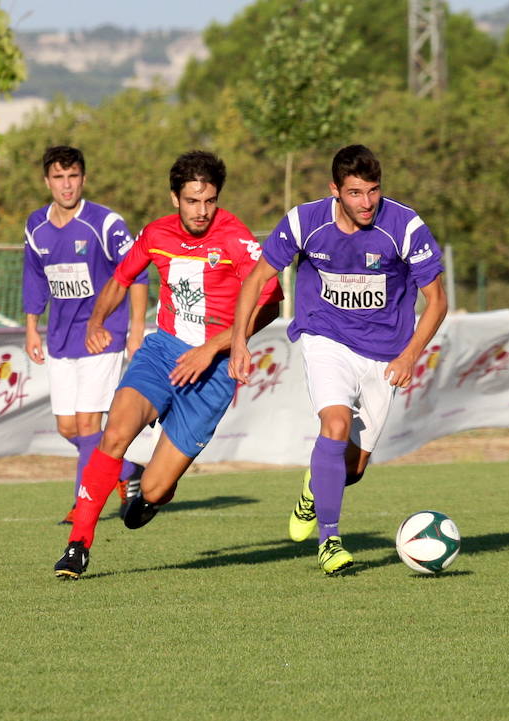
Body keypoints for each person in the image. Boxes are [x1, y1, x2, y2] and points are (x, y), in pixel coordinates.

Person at [53, 150, 283, 579]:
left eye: (209, 201)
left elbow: (271, 302)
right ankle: (78, 545)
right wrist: (97, 320)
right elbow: (121, 279)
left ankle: (152, 497)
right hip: (162, 353)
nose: (201, 211)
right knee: (116, 432)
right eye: (193, 201)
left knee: (157, 487)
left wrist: (217, 347)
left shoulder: (235, 238)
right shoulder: (156, 234)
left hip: (212, 373)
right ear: (175, 197)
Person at [229, 144, 448, 575]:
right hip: (324, 335)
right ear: (335, 190)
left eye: (373, 191)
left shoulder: (404, 226)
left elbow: (437, 300)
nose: (366, 203)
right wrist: (239, 339)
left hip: (385, 353)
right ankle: (330, 541)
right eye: (354, 193)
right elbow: (258, 278)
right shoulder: (303, 222)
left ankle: (315, 489)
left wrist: (409, 356)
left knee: (355, 467)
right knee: (334, 424)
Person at [23, 145, 149, 523]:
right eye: (59, 177)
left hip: (102, 334)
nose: (67, 185)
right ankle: (126, 469)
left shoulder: (106, 223)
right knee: (68, 428)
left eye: (73, 176)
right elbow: (33, 276)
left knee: (88, 426)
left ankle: (82, 508)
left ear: (83, 178)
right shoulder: (36, 226)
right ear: (47, 181)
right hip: (60, 338)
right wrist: (31, 327)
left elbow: (138, 272)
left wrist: (136, 329)